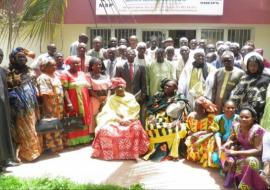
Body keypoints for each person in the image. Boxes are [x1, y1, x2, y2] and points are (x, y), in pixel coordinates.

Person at [91, 77, 149, 160]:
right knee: (104, 130)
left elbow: (135, 111)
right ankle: (110, 154)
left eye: (122, 87)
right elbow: (107, 111)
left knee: (136, 129)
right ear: (114, 88)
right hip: (114, 120)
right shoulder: (111, 99)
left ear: (125, 87)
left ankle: (134, 153)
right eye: (118, 87)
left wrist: (128, 120)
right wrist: (118, 119)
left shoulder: (131, 97)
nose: (120, 88)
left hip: (130, 120)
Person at [7, 48, 42, 161]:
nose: (22, 59)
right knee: (22, 130)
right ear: (13, 59)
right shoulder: (9, 72)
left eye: (23, 57)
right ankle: (25, 154)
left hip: (32, 105)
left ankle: (35, 152)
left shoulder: (29, 70)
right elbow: (9, 89)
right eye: (19, 57)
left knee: (33, 128)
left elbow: (35, 84)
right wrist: (16, 101)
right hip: (19, 106)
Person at [143, 79, 189, 161]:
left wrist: (179, 120)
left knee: (176, 128)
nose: (166, 87)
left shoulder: (179, 97)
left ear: (175, 88)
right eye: (166, 85)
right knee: (152, 126)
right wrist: (151, 116)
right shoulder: (158, 95)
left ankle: (173, 153)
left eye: (169, 86)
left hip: (172, 118)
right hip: (156, 116)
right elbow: (149, 108)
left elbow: (184, 111)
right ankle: (155, 151)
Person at [221, 107, 267, 189]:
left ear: (253, 119)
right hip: (241, 151)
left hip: (255, 156)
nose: (243, 119)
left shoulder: (258, 130)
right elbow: (232, 138)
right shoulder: (236, 126)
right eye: (241, 117)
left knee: (251, 161)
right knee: (225, 154)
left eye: (247, 117)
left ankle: (247, 186)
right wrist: (228, 143)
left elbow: (258, 150)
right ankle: (234, 179)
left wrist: (235, 152)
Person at [61, 56, 92, 145]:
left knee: (84, 117)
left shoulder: (82, 73)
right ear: (69, 64)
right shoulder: (65, 74)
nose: (77, 65)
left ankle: (84, 139)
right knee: (74, 118)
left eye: (78, 63)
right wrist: (69, 102)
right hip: (73, 100)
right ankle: (73, 140)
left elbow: (88, 87)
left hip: (84, 100)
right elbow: (64, 89)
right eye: (74, 63)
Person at [230, 52, 270, 120]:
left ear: (259, 66)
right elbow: (236, 93)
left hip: (257, 112)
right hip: (241, 112)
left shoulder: (265, 79)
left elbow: (263, 97)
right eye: (250, 65)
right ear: (247, 66)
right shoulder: (243, 77)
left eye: (255, 65)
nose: (252, 68)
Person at [37, 58, 64, 153]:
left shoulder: (55, 75)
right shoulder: (43, 77)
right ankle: (50, 147)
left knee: (56, 125)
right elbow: (44, 94)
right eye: (52, 65)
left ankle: (58, 145)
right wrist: (48, 108)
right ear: (45, 67)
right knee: (49, 125)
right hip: (50, 106)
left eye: (55, 65)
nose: (55, 67)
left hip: (58, 106)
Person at [185, 96, 219, 168]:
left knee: (205, 144)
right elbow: (188, 128)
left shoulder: (211, 117)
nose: (195, 108)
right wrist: (192, 134)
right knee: (192, 147)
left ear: (204, 109)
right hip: (193, 137)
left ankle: (205, 160)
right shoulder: (191, 116)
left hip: (206, 137)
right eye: (195, 105)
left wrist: (199, 134)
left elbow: (213, 131)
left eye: (198, 107)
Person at [0, 49, 16, 172]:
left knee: (4, 133)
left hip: (3, 109)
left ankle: (4, 160)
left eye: (1, 55)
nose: (0, 57)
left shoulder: (3, 71)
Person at [211, 100, 239, 168]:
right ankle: (223, 164)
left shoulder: (238, 118)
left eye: (232, 108)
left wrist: (228, 143)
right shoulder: (218, 118)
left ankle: (227, 166)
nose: (230, 109)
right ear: (223, 109)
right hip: (220, 141)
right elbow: (217, 133)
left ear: (235, 109)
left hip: (234, 142)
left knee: (230, 155)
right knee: (215, 157)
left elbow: (237, 134)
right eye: (228, 107)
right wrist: (220, 147)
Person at [88, 57, 111, 130]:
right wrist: (99, 99)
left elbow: (109, 88)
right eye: (96, 65)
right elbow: (90, 90)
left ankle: (104, 133)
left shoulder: (106, 76)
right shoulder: (89, 77)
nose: (99, 66)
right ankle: (94, 134)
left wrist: (107, 98)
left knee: (105, 116)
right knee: (95, 116)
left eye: (100, 65)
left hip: (106, 100)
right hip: (94, 100)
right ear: (92, 66)